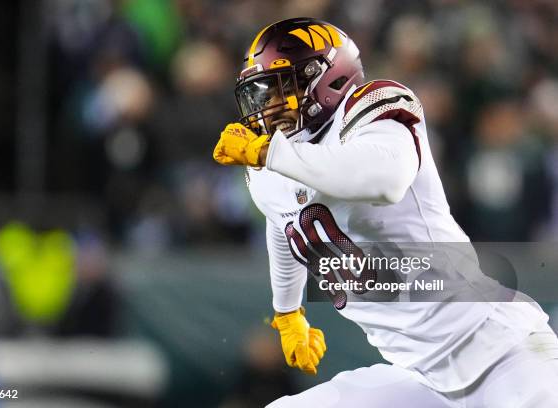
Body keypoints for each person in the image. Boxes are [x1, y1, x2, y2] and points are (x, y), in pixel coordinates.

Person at [213, 17, 558, 407]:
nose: (270, 106)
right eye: (262, 94)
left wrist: (272, 154)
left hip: (503, 355)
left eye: (282, 88)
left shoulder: (375, 106)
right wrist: (287, 311)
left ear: (327, 78)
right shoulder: (270, 164)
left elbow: (384, 181)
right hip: (422, 378)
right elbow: (282, 226)